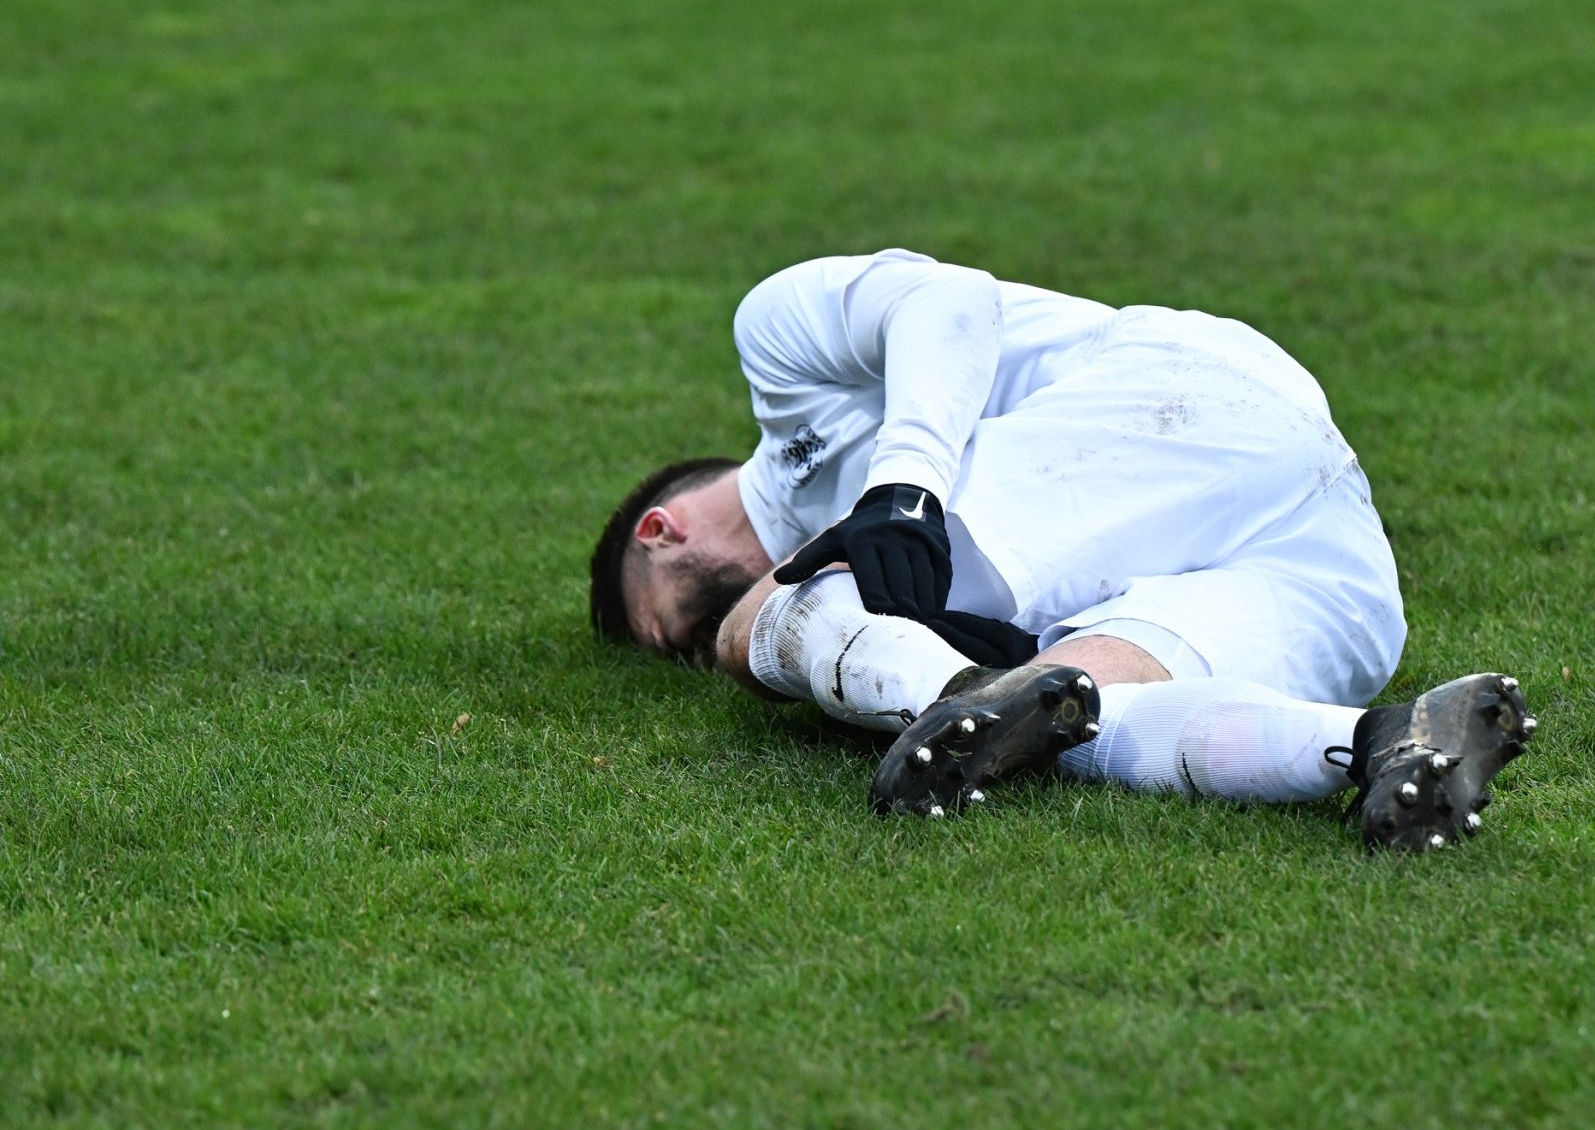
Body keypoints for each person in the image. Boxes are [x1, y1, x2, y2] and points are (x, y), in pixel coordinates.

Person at [589, 249, 1535, 850]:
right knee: (1075, 712)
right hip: (1333, 566)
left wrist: (904, 486)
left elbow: (949, 299)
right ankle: (1384, 741)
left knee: (754, 630)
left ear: (659, 532)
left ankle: (950, 693)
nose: (690, 649)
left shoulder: (777, 354)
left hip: (1182, 397)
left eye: (672, 626)